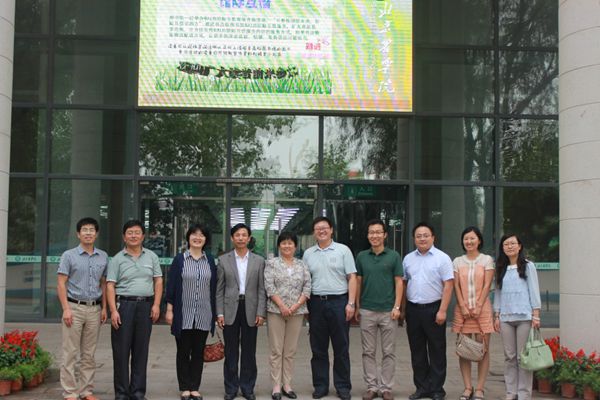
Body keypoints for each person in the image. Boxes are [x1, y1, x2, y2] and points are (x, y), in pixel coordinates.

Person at [106, 220, 163, 400]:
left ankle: (138, 392)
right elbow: (110, 285)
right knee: (121, 351)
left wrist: (156, 304)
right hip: (124, 306)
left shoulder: (151, 257)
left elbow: (158, 281)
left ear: (143, 236)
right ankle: (122, 393)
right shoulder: (117, 259)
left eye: (137, 232)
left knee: (141, 351)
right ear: (124, 237)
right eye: (129, 233)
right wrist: (113, 311)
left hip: (145, 306)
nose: (133, 236)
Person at [302, 216, 357, 400]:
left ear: (331, 230)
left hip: (339, 302)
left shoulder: (343, 250)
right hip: (316, 303)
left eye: (325, 227)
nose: (322, 231)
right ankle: (320, 385)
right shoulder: (308, 254)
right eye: (318, 228)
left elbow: (352, 278)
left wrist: (351, 303)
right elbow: (305, 280)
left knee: (341, 347)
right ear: (314, 232)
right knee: (318, 348)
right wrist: (306, 307)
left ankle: (343, 386)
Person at [57, 217, 108, 400]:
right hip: (74, 308)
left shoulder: (103, 256)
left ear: (96, 234)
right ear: (78, 234)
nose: (88, 233)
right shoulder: (69, 256)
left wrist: (104, 308)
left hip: (94, 309)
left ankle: (86, 391)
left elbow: (104, 283)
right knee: (70, 352)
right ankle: (70, 392)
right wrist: (65, 309)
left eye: (91, 230)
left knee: (89, 354)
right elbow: (61, 283)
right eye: (84, 230)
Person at [401, 222, 454, 400]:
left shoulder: (442, 258)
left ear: (433, 237)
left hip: (434, 308)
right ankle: (422, 387)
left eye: (426, 235)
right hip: (413, 310)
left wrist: (443, 310)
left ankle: (437, 389)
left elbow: (448, 285)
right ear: (414, 238)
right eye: (418, 236)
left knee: (437, 350)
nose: (422, 238)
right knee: (417, 351)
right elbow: (404, 284)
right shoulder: (408, 259)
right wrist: (403, 309)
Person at [165, 224, 217, 400]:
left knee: (198, 352)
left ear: (205, 240)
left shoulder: (210, 261)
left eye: (201, 235)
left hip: (204, 313)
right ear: (188, 238)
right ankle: (184, 387)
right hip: (183, 314)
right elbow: (171, 286)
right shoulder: (180, 260)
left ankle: (194, 387)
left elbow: (213, 288)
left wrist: (216, 314)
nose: (197, 237)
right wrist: (170, 309)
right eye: (194, 234)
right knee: (183, 351)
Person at [216, 223, 267, 400]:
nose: (240, 238)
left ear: (249, 238)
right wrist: (219, 313)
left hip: (251, 309)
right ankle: (231, 388)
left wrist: (261, 312)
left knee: (249, 351)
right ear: (232, 238)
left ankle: (247, 387)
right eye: (237, 235)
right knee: (231, 351)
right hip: (230, 309)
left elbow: (262, 289)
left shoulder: (259, 261)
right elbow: (219, 289)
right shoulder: (224, 260)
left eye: (244, 235)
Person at [355, 219, 404, 400]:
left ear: (385, 235)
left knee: (388, 352)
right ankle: (371, 387)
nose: (374, 235)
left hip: (388, 311)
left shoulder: (394, 256)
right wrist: (357, 306)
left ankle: (386, 388)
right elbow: (358, 282)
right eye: (371, 232)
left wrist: (397, 307)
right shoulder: (361, 257)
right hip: (367, 310)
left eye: (378, 232)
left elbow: (399, 282)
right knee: (368, 351)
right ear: (367, 235)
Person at [493, 234, 541, 400]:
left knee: (523, 357)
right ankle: (511, 392)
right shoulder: (500, 267)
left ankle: (524, 394)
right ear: (502, 248)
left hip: (524, 317)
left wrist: (536, 315)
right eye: (506, 244)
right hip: (505, 318)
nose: (510, 246)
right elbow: (498, 293)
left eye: (513, 243)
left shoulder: (528, 266)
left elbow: (534, 290)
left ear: (519, 246)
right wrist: (496, 314)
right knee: (509, 357)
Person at [264, 231, 311, 400]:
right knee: (276, 350)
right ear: (279, 246)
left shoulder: (302, 265)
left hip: (297, 312)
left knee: (290, 350)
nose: (287, 246)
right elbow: (269, 287)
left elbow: (307, 287)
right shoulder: (271, 264)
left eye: (290, 243)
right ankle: (276, 385)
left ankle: (287, 384)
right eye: (283, 243)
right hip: (276, 311)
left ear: (295, 246)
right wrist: (282, 306)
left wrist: (296, 305)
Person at [451, 227, 495, 400]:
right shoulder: (457, 261)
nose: (469, 242)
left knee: (483, 349)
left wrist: (478, 305)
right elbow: (456, 285)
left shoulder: (486, 260)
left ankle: (480, 389)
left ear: (479, 240)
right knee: (464, 348)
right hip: (462, 310)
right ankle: (468, 387)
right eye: (466, 239)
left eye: (472, 238)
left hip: (482, 310)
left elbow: (487, 284)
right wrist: (462, 305)